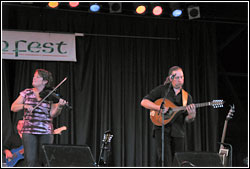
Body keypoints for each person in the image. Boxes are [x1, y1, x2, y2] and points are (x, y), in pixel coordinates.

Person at [141, 66, 196, 166]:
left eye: (182, 77)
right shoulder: (162, 90)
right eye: (177, 77)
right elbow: (144, 102)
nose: (180, 80)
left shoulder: (186, 97)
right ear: (171, 78)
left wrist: (191, 116)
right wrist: (158, 108)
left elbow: (187, 119)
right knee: (165, 160)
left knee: (178, 161)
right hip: (162, 130)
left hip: (178, 132)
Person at [10, 69, 67, 167]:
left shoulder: (50, 94)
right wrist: (25, 106)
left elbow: (53, 114)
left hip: (46, 131)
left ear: (45, 81)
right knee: (30, 161)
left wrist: (60, 106)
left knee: (44, 162)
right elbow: (13, 107)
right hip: (28, 131)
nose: (34, 78)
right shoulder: (27, 92)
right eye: (34, 76)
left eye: (37, 77)